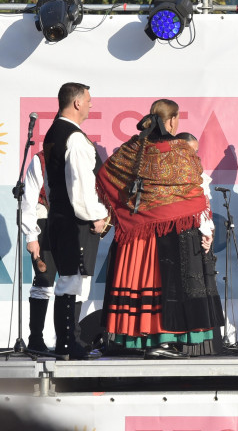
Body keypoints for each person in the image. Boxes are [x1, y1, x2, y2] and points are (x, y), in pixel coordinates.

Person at [97, 99, 223, 358]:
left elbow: (105, 176)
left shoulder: (132, 148)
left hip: (139, 234)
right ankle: (164, 341)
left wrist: (131, 211)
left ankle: (144, 340)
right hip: (174, 233)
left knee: (142, 285)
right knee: (169, 287)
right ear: (173, 120)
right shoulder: (181, 151)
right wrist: (204, 226)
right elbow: (196, 193)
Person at [42, 82, 109, 359]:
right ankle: (69, 344)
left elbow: (52, 183)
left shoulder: (53, 134)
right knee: (73, 282)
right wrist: (97, 216)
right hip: (75, 223)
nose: (91, 105)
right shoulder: (75, 138)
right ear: (77, 103)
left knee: (71, 281)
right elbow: (80, 188)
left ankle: (70, 343)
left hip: (59, 218)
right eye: (89, 101)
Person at [21, 150, 56, 352]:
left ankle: (68, 340)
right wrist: (31, 236)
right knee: (43, 281)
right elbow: (29, 200)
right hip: (43, 219)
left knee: (72, 283)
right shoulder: (41, 159)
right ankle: (35, 339)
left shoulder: (79, 153)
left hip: (68, 224)